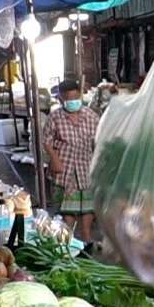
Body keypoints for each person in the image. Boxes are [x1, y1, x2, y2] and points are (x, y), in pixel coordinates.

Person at [42, 79, 100, 243]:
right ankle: (69, 238)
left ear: (80, 95)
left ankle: (86, 236)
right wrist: (54, 159)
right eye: (69, 99)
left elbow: (99, 139)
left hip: (86, 165)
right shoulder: (55, 117)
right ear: (61, 99)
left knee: (88, 204)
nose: (73, 101)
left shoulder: (91, 116)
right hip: (65, 166)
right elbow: (46, 141)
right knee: (68, 206)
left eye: (75, 97)